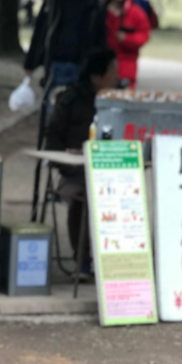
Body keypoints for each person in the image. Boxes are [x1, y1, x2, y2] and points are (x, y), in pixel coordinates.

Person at [45, 49, 119, 275]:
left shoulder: (119, 102)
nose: (117, 77)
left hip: (110, 169)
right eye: (112, 72)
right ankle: (82, 260)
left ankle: (119, 263)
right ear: (97, 77)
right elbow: (52, 142)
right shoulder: (70, 100)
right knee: (85, 196)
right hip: (75, 172)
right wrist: (71, 163)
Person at [24, 0, 107, 91]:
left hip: (82, 66)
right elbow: (40, 32)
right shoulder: (54, 1)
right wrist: (30, 63)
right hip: (55, 63)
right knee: (53, 104)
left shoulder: (94, 6)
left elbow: (100, 39)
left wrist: (99, 68)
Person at [104, 0, 151, 88]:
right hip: (103, 68)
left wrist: (127, 39)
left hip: (126, 69)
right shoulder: (101, 9)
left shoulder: (136, 13)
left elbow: (144, 35)